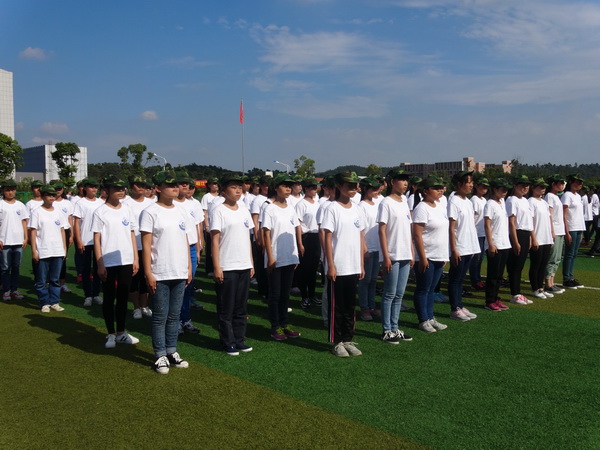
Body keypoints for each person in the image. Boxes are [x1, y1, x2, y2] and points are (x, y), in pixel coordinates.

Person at [140, 170, 192, 375]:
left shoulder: (181, 211)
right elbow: (146, 245)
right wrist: (148, 273)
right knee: (160, 316)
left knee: (174, 315)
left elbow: (185, 240)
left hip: (179, 270)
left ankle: (172, 351)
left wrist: (188, 267)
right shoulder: (150, 212)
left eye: (175, 185)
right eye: (169, 185)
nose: (175, 188)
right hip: (160, 271)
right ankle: (160, 354)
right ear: (158, 188)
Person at [92, 175, 140, 349]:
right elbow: (97, 238)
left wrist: (135, 258)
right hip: (108, 261)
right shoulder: (100, 211)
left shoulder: (127, 210)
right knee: (109, 297)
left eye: (122, 188)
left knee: (123, 297)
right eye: (116, 188)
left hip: (126, 259)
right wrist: (100, 263)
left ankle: (121, 332)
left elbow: (132, 234)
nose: (120, 191)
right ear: (107, 190)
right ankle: (110, 333)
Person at [321, 171, 365, 357]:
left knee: (350, 306)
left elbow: (360, 236)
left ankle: (348, 338)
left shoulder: (357, 209)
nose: (354, 189)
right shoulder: (332, 208)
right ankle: (337, 341)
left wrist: (361, 264)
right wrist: (330, 265)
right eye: (349, 185)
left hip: (353, 266)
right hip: (338, 266)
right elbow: (327, 237)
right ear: (339, 186)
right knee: (336, 307)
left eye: (355, 185)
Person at [210, 173, 254, 355]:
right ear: (223, 190)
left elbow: (247, 238)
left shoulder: (244, 210)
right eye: (233, 187)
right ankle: (227, 342)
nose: (238, 190)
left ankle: (239, 339)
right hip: (227, 265)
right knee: (226, 307)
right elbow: (214, 240)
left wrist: (251, 263)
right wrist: (217, 267)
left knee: (241, 307)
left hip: (243, 264)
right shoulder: (218, 210)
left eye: (239, 187)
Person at [262, 173, 303, 341]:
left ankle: (285, 324)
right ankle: (275, 326)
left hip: (289, 256)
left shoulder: (291, 207)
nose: (288, 189)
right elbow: (266, 233)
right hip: (276, 257)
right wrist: (270, 257)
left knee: (285, 294)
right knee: (275, 294)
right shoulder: (269, 208)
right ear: (276, 188)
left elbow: (294, 229)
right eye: (284, 185)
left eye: (289, 186)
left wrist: (296, 254)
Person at [377, 169, 413, 344]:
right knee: (390, 294)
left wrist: (411, 252)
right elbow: (382, 230)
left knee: (399, 294)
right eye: (401, 180)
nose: (405, 183)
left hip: (405, 253)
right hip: (392, 253)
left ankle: (395, 327)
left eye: (406, 180)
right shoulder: (386, 203)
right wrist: (386, 256)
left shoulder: (404, 201)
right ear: (392, 182)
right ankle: (386, 330)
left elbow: (408, 229)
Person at [412, 175, 449, 333]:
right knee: (423, 289)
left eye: (441, 187)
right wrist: (422, 257)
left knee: (432, 289)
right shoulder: (422, 208)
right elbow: (417, 234)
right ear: (426, 191)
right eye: (436, 188)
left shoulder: (439, 206)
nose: (440, 190)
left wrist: (444, 255)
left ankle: (430, 317)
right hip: (427, 255)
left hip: (439, 255)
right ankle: (423, 320)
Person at [447, 171, 480, 322]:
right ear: (459, 184)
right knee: (455, 279)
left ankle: (460, 305)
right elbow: (451, 227)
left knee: (461, 279)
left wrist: (472, 247)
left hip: (468, 245)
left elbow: (470, 226)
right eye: (468, 182)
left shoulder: (468, 201)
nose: (471, 185)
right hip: (459, 246)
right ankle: (455, 308)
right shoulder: (453, 201)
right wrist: (454, 249)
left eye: (472, 182)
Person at [29, 185, 67, 312]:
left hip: (57, 250)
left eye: (53, 195)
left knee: (55, 279)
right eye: (49, 195)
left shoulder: (58, 212)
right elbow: (33, 232)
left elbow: (62, 230)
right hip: (43, 250)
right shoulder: (37, 212)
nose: (52, 197)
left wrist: (64, 249)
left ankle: (54, 301)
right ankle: (44, 302)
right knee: (41, 280)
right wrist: (34, 250)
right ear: (43, 196)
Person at [123, 176, 154, 319]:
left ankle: (144, 305)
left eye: (143, 185)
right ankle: (136, 307)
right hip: (133, 246)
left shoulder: (151, 203)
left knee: (146, 277)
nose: (141, 187)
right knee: (134, 278)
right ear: (131, 187)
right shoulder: (125, 204)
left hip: (149, 246)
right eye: (137, 185)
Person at [73, 177, 104, 306]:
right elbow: (76, 223)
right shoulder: (80, 203)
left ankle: (96, 294)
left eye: (95, 187)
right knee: (85, 269)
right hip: (85, 240)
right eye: (91, 187)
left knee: (98, 268)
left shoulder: (101, 203)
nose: (94, 189)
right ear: (85, 188)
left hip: (98, 241)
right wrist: (79, 240)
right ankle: (88, 295)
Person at [483, 178, 512, 311]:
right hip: (495, 244)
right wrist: (491, 244)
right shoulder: (490, 204)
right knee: (493, 275)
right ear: (495, 190)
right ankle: (490, 300)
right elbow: (487, 225)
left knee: (499, 275)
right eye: (502, 189)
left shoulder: (502, 202)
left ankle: (496, 298)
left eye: (506, 190)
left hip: (504, 243)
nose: (505, 192)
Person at [506, 175, 535, 305]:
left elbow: (529, 221)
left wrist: (530, 238)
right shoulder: (512, 200)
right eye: (522, 185)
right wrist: (515, 241)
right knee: (515, 266)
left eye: (527, 185)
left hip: (525, 233)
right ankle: (515, 294)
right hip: (517, 233)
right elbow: (511, 222)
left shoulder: (525, 200)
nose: (525, 188)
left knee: (520, 265)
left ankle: (518, 292)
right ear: (516, 186)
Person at [295, 178, 322, 309]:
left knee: (313, 269)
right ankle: (304, 296)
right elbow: (298, 225)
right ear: (306, 189)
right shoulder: (301, 204)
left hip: (316, 237)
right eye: (312, 188)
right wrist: (300, 243)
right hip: (306, 237)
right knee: (304, 269)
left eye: (315, 188)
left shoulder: (317, 203)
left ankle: (312, 294)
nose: (314, 190)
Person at [0, 179, 28, 301]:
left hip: (18, 241)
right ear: (3, 191)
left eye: (12, 190)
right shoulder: (1, 204)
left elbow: (24, 222)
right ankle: (6, 291)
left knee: (16, 267)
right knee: (5, 267)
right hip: (4, 241)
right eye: (7, 190)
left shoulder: (20, 205)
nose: (10, 192)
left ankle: (14, 290)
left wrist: (26, 237)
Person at [357, 176, 381, 321]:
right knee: (365, 280)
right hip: (367, 247)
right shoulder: (361, 206)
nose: (376, 191)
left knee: (373, 279)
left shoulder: (377, 204)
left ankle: (371, 306)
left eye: (377, 188)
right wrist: (364, 248)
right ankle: (364, 308)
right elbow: (360, 230)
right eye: (373, 189)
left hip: (377, 246)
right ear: (365, 189)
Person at [528, 178, 555, 299]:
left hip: (546, 238)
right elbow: (530, 221)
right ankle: (535, 289)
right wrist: (533, 238)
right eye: (540, 187)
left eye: (544, 187)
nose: (543, 189)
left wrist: (551, 236)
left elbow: (548, 220)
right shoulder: (531, 201)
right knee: (536, 264)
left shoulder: (544, 202)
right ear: (534, 188)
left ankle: (541, 287)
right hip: (537, 237)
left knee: (543, 265)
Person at [562, 173, 586, 289]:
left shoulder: (578, 196)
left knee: (574, 254)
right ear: (571, 183)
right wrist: (566, 231)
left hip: (578, 227)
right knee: (569, 254)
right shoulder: (567, 195)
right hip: (571, 227)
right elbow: (564, 214)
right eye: (577, 182)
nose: (580, 184)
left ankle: (571, 277)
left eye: (581, 183)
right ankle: (566, 278)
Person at [543, 174, 566, 294]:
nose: (562, 185)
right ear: (553, 184)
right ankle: (548, 283)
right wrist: (552, 231)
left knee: (557, 258)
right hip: (555, 230)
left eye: (562, 183)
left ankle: (552, 281)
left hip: (560, 230)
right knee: (552, 258)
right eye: (560, 183)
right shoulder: (549, 196)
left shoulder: (557, 197)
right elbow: (549, 215)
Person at [51, 181, 74, 294]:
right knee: (51, 257)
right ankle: (51, 282)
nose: (58, 191)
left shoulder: (67, 203)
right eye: (56, 189)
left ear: (63, 189)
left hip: (65, 231)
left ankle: (62, 284)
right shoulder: (50, 202)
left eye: (59, 188)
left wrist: (72, 234)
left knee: (63, 257)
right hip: (52, 231)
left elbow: (70, 219)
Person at [469, 177, 489, 291]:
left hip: (483, 233)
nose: (484, 189)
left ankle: (478, 279)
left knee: (480, 258)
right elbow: (472, 218)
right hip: (476, 233)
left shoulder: (484, 200)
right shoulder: (474, 200)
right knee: (475, 258)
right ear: (477, 186)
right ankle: (475, 280)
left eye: (486, 187)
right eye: (482, 186)